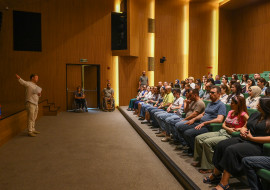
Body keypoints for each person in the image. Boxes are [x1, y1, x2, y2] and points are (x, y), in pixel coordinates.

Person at [204, 97, 270, 190]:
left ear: (266, 107)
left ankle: (224, 183)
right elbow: (245, 126)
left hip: (258, 145)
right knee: (221, 145)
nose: (257, 105)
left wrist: (253, 138)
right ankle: (216, 173)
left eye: (260, 104)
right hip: (245, 139)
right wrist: (243, 130)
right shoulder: (255, 114)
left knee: (231, 150)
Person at [193, 96, 248, 174]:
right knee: (198, 138)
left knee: (207, 142)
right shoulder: (230, 112)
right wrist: (228, 128)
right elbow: (223, 124)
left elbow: (250, 121)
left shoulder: (243, 114)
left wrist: (242, 128)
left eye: (232, 103)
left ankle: (210, 167)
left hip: (230, 135)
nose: (230, 104)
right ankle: (201, 161)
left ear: (238, 104)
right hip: (223, 131)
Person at [180, 86, 226, 156]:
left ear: (219, 94)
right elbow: (202, 114)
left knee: (188, 133)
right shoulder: (210, 103)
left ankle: (196, 153)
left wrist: (205, 123)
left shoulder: (221, 105)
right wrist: (194, 119)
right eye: (210, 92)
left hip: (208, 126)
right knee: (182, 127)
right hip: (200, 123)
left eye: (213, 93)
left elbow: (220, 120)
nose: (210, 94)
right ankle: (191, 148)